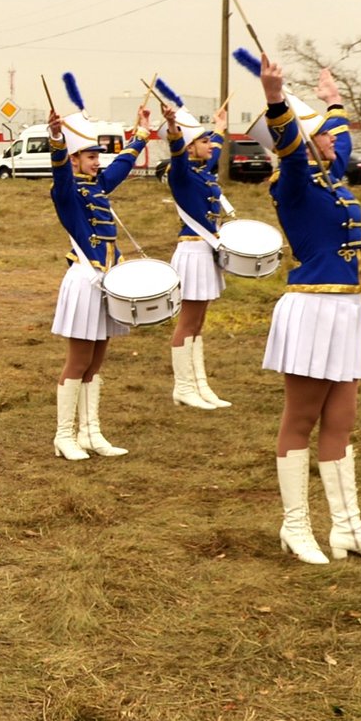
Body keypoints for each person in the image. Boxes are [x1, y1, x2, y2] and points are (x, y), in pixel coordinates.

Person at [255, 55, 361, 564]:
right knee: (301, 417)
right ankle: (295, 526)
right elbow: (291, 150)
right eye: (324, 135)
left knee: (342, 418)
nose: (335, 139)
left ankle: (347, 528)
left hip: (346, 311)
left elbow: (341, 137)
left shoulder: (331, 177)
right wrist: (276, 98)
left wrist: (332, 98)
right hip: (312, 309)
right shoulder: (292, 183)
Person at [46, 77, 154, 461]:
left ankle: (91, 431)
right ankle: (64, 435)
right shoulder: (67, 192)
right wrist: (57, 141)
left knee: (97, 359)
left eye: (97, 156)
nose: (97, 162)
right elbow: (59, 173)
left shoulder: (97, 186)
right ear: (75, 159)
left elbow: (122, 165)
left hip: (109, 278)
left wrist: (140, 133)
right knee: (78, 360)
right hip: (84, 279)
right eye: (90, 157)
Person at [157, 92, 233, 411]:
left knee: (199, 322)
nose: (211, 146)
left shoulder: (201, 172)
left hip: (206, 251)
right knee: (187, 322)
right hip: (191, 252)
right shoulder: (182, 173)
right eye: (204, 142)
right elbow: (177, 155)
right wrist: (174, 128)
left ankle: (200, 384)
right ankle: (183, 386)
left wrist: (220, 128)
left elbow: (212, 155)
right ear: (189, 147)